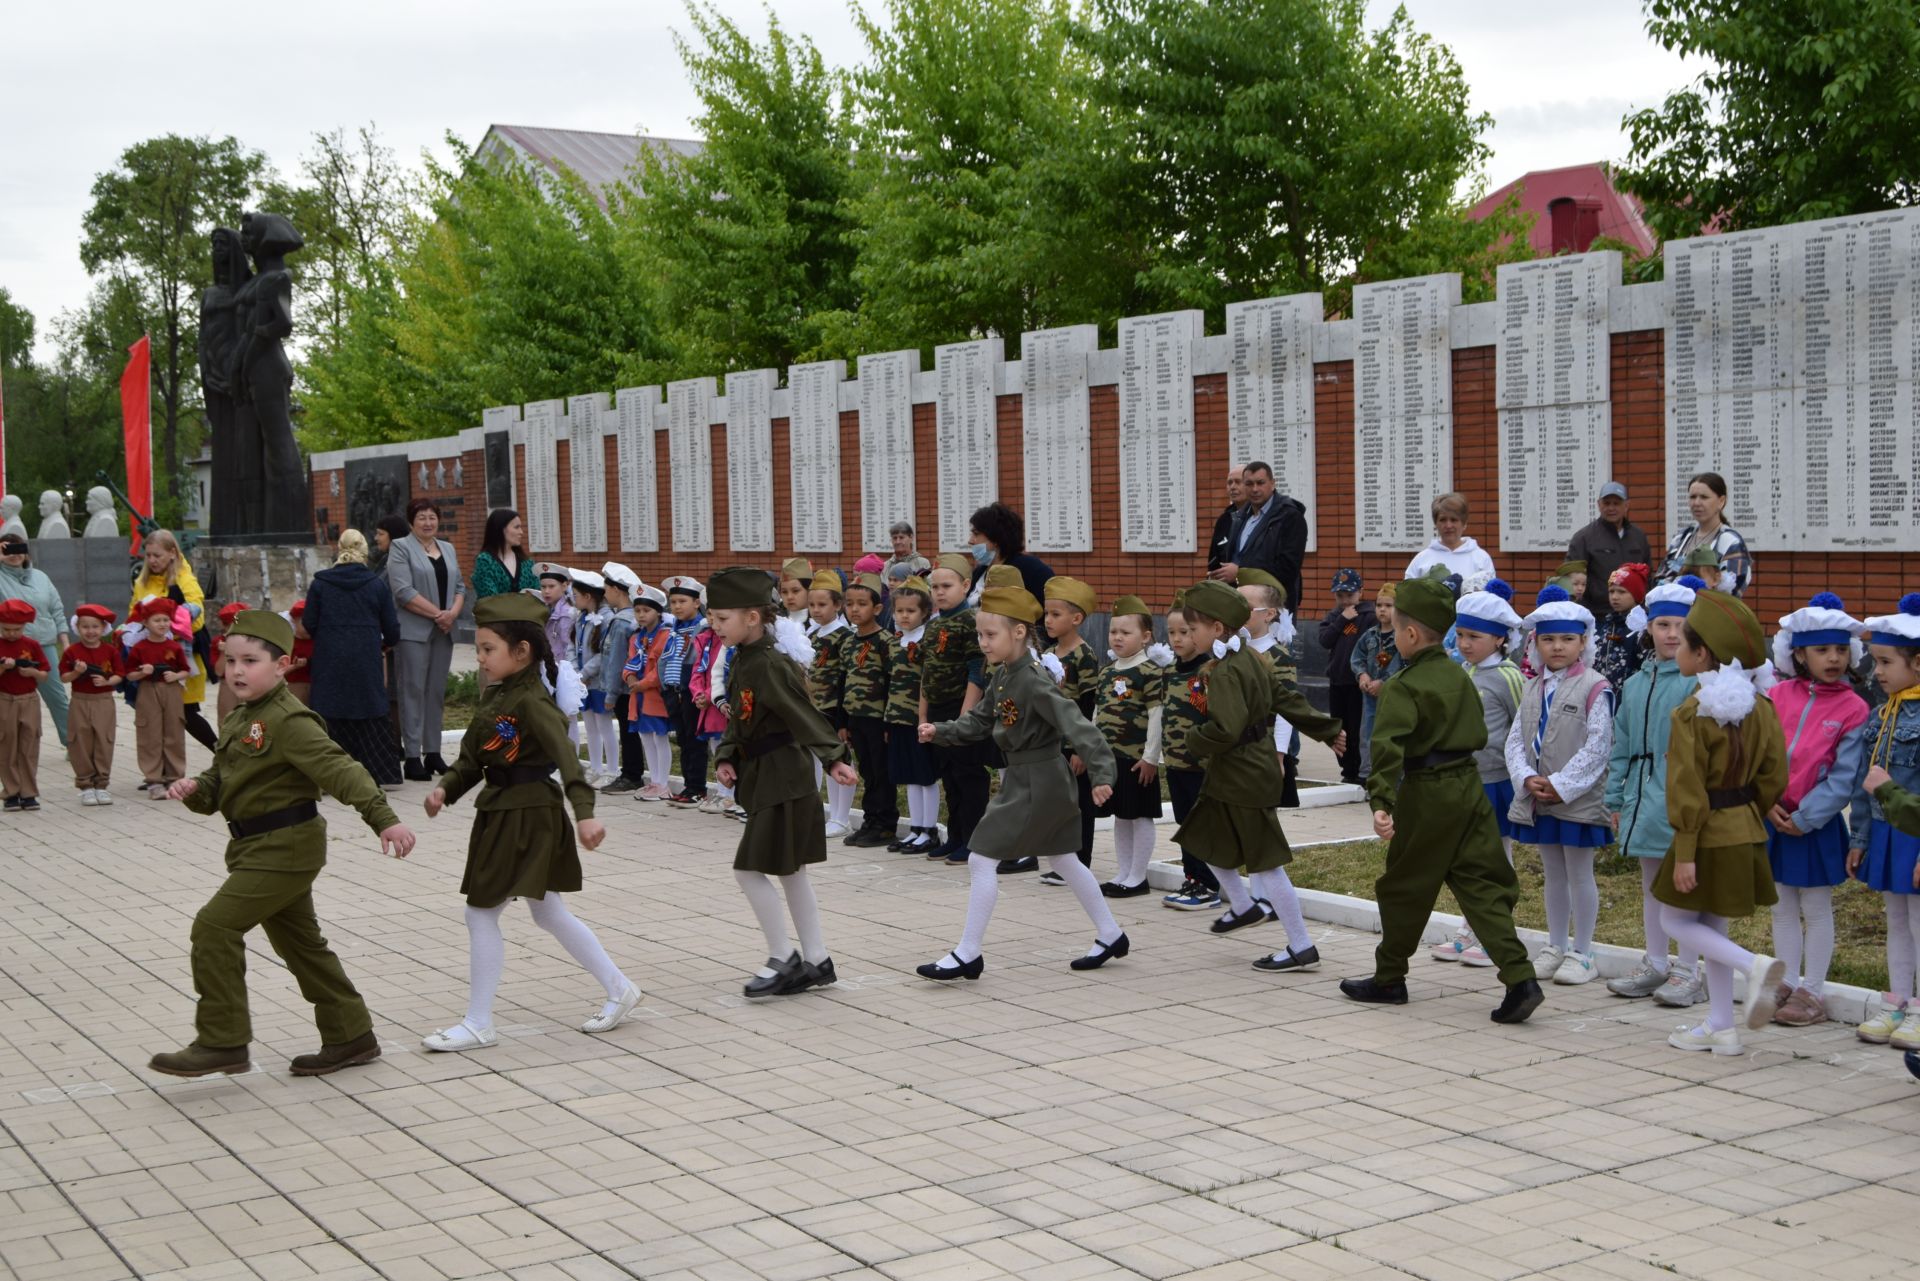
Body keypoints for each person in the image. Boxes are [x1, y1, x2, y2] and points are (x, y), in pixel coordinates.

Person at [146, 609, 418, 1078]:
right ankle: (351, 1035)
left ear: (283, 664)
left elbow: (343, 769)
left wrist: (384, 820)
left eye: (249, 660)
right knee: (302, 947)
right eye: (229, 661)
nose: (236, 671)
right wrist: (195, 791)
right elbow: (220, 784)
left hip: (286, 847)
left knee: (214, 928)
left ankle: (222, 1040)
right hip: (257, 847)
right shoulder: (240, 719)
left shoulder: (289, 719)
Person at [418, 594, 639, 1052]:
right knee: (547, 911)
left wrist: (585, 815)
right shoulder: (498, 694)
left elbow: (568, 759)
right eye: (477, 649)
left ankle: (479, 1022)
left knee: (480, 913)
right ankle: (620, 989)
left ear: (521, 652)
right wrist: (447, 789)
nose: (479, 659)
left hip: (528, 814)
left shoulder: (532, 701)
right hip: (503, 811)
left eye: (487, 650)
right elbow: (473, 759)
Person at [1337, 574, 1542, 1023]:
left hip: (1428, 793)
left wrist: (1380, 803)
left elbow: (1386, 749)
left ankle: (1389, 978)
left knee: (1404, 886)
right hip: (1469, 786)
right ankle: (1520, 976)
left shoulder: (1404, 686)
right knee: (1481, 885)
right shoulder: (1459, 675)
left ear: (1409, 634)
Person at [917, 585, 1126, 978]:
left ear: (1017, 633)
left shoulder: (1031, 679)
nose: (983, 643)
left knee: (981, 857)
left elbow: (1077, 725)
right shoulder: (1003, 675)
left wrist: (1101, 774)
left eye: (990, 635)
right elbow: (980, 721)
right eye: (980, 635)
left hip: (1039, 781)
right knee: (1064, 858)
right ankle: (1111, 934)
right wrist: (940, 730)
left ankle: (968, 953)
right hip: (1029, 778)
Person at [1172, 580, 1345, 973]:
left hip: (1244, 771)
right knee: (1203, 834)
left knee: (1266, 862)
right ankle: (1245, 906)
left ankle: (1301, 945)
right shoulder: (1247, 657)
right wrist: (1327, 729)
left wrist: (1194, 740)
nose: (1188, 636)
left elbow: (1227, 729)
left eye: (1193, 629)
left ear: (1217, 629)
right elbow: (1286, 699)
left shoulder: (1231, 669)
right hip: (1239, 769)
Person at [1651, 590, 1789, 1056]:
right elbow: (1774, 775)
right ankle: (1721, 1026)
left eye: (1684, 643)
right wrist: (1752, 808)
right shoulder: (1762, 707)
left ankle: (1755, 966)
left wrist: (1685, 851)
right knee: (1712, 925)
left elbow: (1686, 787)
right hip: (1745, 828)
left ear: (1702, 653)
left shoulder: (1691, 713)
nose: (1677, 649)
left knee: (1674, 918)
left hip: (1705, 832)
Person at [708, 566, 857, 997]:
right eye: (713, 618)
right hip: (765, 776)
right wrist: (726, 755)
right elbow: (742, 718)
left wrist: (833, 759)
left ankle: (783, 957)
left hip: (784, 778)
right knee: (791, 872)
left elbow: (802, 714)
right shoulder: (745, 659)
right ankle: (817, 959)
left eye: (723, 618)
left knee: (748, 870)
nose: (715, 626)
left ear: (753, 617)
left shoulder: (770, 663)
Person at [1762, 594, 1871, 1028]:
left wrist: (1806, 817)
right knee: (1781, 905)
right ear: (1799, 654)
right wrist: (1766, 802)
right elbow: (1760, 755)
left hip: (1816, 825)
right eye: (1822, 650)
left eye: (1841, 649)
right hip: (1774, 817)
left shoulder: (1853, 708)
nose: (1834, 658)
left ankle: (1814, 990)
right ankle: (1786, 981)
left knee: (1816, 906)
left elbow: (1844, 777)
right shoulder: (1776, 695)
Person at [1603, 577, 1706, 1004]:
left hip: (1681, 796)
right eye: (1662, 624)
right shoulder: (1636, 683)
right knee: (1651, 886)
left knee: (1686, 887)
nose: (1671, 634)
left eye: (1680, 626)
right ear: (1649, 627)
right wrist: (1614, 797)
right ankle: (1657, 963)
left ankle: (1690, 969)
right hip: (1643, 797)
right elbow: (1621, 744)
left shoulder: (1697, 682)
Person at [1505, 586, 1615, 987]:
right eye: (1548, 639)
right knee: (1553, 872)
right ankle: (1555, 945)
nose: (1557, 647)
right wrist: (1525, 778)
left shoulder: (1595, 686)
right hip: (1539, 797)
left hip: (1577, 800)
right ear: (1536, 642)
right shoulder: (1532, 686)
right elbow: (1515, 739)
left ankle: (1583, 952)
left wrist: (1561, 784)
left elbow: (1598, 746)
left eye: (1567, 639)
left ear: (1583, 642)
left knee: (1580, 872)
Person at [1429, 581, 1524, 967]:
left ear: (1500, 639)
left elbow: (1523, 727)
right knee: (1468, 860)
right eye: (1462, 634)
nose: (1465, 643)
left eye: (1475, 636)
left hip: (1498, 782)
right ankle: (1471, 927)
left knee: (1497, 859)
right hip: (1466, 780)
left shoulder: (1509, 676)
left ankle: (1496, 932)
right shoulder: (1463, 672)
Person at [1848, 593, 1920, 1049]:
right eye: (1875, 661)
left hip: (1916, 834)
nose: (1878, 673)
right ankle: (1897, 1002)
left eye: (1887, 662)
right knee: (1896, 920)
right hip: (1887, 832)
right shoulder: (1879, 716)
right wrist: (1860, 836)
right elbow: (1863, 782)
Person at [304, 529, 403, 789]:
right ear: (364, 551)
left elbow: (309, 623)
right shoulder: (375, 585)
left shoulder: (320, 584)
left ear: (339, 548)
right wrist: (381, 642)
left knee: (329, 712)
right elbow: (392, 629)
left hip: (329, 658)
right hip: (365, 659)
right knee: (369, 709)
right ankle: (378, 773)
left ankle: (328, 775)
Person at [1094, 595, 1168, 896]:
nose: (1117, 638)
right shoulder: (1107, 671)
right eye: (1113, 632)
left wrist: (1151, 757)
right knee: (1121, 815)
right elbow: (1096, 714)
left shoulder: (1150, 671)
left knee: (1139, 814)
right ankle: (1123, 872)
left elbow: (1156, 716)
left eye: (1126, 633)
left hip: (1137, 758)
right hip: (1111, 758)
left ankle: (1138, 876)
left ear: (1146, 636)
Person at [386, 499, 466, 780]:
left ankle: (433, 753)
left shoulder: (448, 548)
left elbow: (459, 586)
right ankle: (412, 756)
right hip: (414, 632)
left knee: (435, 692)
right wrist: (438, 615)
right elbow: (403, 591)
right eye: (422, 517)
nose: (428, 522)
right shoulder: (400, 548)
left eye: (432, 517)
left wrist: (453, 613)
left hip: (444, 631)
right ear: (411, 521)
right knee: (412, 692)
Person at [1036, 576, 1102, 882]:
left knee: (1079, 805)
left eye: (1056, 614)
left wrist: (1080, 749)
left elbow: (1089, 706)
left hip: (1072, 743)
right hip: (1050, 741)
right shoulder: (1049, 652)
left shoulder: (1084, 656)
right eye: (1046, 614)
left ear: (1076, 619)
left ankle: (1080, 861)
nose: (1048, 620)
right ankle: (1064, 862)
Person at [127, 530, 217, 752]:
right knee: (157, 714)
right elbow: (133, 612)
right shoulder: (142, 580)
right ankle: (161, 772)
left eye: (157, 555)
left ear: (172, 553)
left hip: (180, 656)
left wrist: (166, 623)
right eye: (148, 555)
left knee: (186, 712)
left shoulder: (184, 579)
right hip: (150, 654)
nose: (151, 560)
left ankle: (220, 751)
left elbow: (196, 618)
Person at [1159, 601, 1222, 912]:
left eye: (1185, 632)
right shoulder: (1169, 671)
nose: (1177, 639)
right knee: (1184, 822)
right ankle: (1192, 878)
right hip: (1175, 762)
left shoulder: (1209, 670)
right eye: (1171, 632)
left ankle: (1208, 883)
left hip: (1201, 764)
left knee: (1201, 824)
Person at [838, 573, 898, 847]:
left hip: (878, 718)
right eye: (849, 603)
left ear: (877, 608)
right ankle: (870, 820)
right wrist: (843, 721)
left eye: (861, 604)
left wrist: (889, 722)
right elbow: (843, 680)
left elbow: (893, 682)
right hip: (856, 717)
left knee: (881, 771)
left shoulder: (886, 641)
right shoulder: (849, 642)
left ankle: (885, 824)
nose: (854, 609)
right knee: (867, 770)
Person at [884, 577, 941, 852]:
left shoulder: (926, 641)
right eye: (899, 611)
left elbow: (927, 682)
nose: (904, 616)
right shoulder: (896, 642)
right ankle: (915, 828)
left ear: (925, 612)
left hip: (918, 718)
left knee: (924, 775)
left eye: (911, 611)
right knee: (907, 774)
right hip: (897, 717)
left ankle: (929, 830)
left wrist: (922, 718)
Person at [1210, 461, 1308, 616]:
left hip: (1272, 606)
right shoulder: (1240, 517)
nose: (1255, 489)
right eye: (1249, 483)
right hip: (1239, 603)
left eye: (1260, 483)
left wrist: (1240, 572)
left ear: (1273, 484)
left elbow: (1288, 567)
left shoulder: (1290, 516)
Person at [0, 534, 71, 747]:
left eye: (19, 548)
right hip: (7, 645)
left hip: (43, 644)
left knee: (57, 698)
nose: (15, 554)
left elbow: (56, 610)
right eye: (8, 550)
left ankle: (72, 743)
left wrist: (65, 641)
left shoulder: (40, 576)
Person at [803, 570, 853, 833]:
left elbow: (845, 677)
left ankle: (840, 817)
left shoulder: (844, 636)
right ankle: (815, 809)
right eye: (811, 605)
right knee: (812, 759)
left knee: (838, 760)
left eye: (822, 605)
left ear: (838, 605)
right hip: (812, 708)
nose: (816, 610)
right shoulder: (812, 635)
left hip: (834, 708)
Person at [61, 603, 125, 805]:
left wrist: (107, 681)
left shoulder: (110, 651)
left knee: (104, 741)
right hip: (80, 700)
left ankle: (102, 784)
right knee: (80, 741)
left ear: (103, 628)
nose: (90, 631)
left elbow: (120, 674)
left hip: (104, 701)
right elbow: (64, 677)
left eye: (95, 626)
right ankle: (86, 785)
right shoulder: (72, 651)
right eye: (85, 626)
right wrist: (77, 673)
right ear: (77, 628)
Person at [128, 597, 192, 799]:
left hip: (171, 690)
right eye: (157, 620)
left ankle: (175, 777)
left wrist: (176, 676)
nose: (162, 624)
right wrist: (142, 673)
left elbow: (185, 670)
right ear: (145, 623)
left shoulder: (174, 647)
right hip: (148, 689)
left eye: (165, 620)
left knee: (174, 731)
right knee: (150, 733)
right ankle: (154, 780)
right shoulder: (139, 648)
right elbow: (129, 674)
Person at [1657, 471, 1752, 596]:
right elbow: (1660, 579)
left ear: (1721, 501)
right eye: (1692, 497)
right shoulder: (1681, 538)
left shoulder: (1731, 542)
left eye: (1704, 497)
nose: (1696, 503)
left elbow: (1732, 591)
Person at [661, 576, 711, 807]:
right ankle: (688, 785)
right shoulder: (674, 627)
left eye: (682, 601)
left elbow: (696, 662)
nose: (677, 606)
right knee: (683, 739)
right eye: (673, 602)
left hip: (690, 692)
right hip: (673, 690)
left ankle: (697, 788)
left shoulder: (701, 626)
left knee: (694, 740)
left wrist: (686, 689)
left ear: (696, 602)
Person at [1566, 482, 1652, 617]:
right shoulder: (1583, 538)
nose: (1611, 508)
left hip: (1635, 615)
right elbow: (1570, 580)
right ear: (1599, 505)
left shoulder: (1638, 536)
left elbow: (1648, 575)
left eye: (1616, 503)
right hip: (1598, 615)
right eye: (1607, 503)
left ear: (1626, 505)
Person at [1319, 568, 1372, 785]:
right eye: (1340, 596)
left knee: (1358, 727)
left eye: (1350, 595)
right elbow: (1324, 640)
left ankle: (1362, 769)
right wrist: (1341, 620)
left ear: (1361, 592)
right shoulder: (1333, 617)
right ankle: (1347, 769)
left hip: (1358, 683)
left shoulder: (1369, 616)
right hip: (1337, 681)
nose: (1345, 600)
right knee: (1340, 729)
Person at [623, 581, 675, 800]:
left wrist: (641, 684)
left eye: (647, 610)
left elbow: (661, 668)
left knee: (659, 738)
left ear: (658, 612)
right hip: (639, 697)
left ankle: (663, 783)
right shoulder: (636, 637)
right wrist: (630, 677)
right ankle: (653, 781)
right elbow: (629, 662)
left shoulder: (666, 636)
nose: (641, 615)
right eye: (637, 611)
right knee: (645, 737)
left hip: (655, 696)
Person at [591, 563, 641, 790]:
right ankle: (631, 773)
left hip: (622, 689)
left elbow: (616, 661)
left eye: (606, 588)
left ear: (617, 591)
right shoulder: (626, 618)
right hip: (627, 687)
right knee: (630, 731)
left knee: (629, 733)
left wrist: (610, 693)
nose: (604, 593)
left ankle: (631, 775)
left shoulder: (621, 622)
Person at [0, 598, 50, 811]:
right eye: (6, 629)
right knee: (7, 745)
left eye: (17, 629)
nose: (12, 634)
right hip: (4, 699)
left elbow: (45, 673)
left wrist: (32, 672)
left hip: (28, 698)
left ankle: (29, 792)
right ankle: (11, 792)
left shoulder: (32, 645)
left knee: (29, 745)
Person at [570, 570, 617, 783]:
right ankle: (596, 768)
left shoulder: (607, 618)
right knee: (590, 726)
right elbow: (573, 645)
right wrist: (575, 672)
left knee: (604, 725)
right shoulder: (581, 617)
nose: (573, 599)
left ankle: (612, 769)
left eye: (576, 594)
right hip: (583, 681)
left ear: (587, 596)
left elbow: (604, 653)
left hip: (598, 681)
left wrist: (585, 672)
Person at [1352, 582, 1402, 779]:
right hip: (1370, 696)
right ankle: (1368, 774)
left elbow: (1402, 665)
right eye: (1379, 605)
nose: (1382, 609)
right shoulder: (1370, 635)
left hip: (1392, 697)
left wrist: (1384, 683)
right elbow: (1357, 657)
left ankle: (1391, 777)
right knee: (1368, 735)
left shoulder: (1401, 637)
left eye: (1389, 606)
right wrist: (1362, 675)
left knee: (1390, 736)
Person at [967, 502, 1054, 601]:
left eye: (976, 534)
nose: (970, 541)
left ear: (996, 538)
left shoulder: (1032, 570)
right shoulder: (979, 572)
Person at [1404, 492, 1496, 583]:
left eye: (1454, 520)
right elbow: (1408, 593)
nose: (1448, 525)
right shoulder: (1422, 559)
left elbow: (1490, 596)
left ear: (1464, 524)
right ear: (1436, 523)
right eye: (1443, 520)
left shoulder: (1481, 558)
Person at [1594, 563, 1650, 693]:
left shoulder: (1642, 627)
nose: (1615, 597)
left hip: (1630, 696)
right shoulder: (1608, 625)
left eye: (1622, 592)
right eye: (1611, 591)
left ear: (1636, 594)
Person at [472, 508, 538, 599]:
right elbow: (490, 599)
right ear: (501, 529)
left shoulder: (527, 563)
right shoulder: (485, 561)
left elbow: (536, 594)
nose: (521, 532)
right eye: (516, 527)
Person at [1206, 465, 1247, 576]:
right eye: (1229, 483)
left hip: (1254, 587)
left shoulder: (1259, 517)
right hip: (1226, 587)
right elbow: (1213, 559)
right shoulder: (1224, 520)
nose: (1232, 487)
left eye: (1238, 482)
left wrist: (1239, 573)